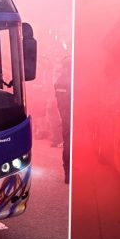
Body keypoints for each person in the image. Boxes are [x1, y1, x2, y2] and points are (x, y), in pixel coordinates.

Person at [55, 56, 71, 184]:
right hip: (74, 117)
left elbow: (60, 102)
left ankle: (68, 175)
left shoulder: (60, 81)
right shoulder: (75, 79)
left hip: (66, 118)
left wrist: (64, 117)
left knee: (67, 144)